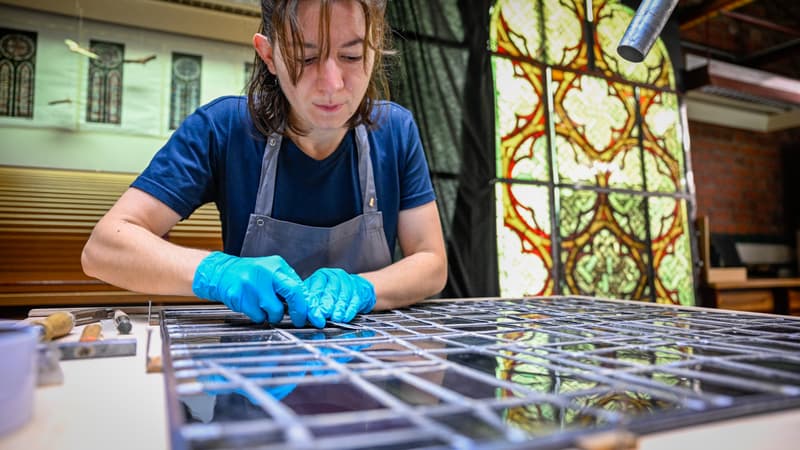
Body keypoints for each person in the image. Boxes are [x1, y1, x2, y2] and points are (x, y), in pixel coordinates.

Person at [81, 0, 447, 328]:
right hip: (255, 369)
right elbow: (103, 249)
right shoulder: (222, 129)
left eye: (352, 56)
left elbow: (431, 262)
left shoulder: (395, 131)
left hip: (365, 356)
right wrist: (218, 273)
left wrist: (366, 288)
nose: (333, 84)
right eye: (305, 58)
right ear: (268, 55)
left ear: (374, 46)